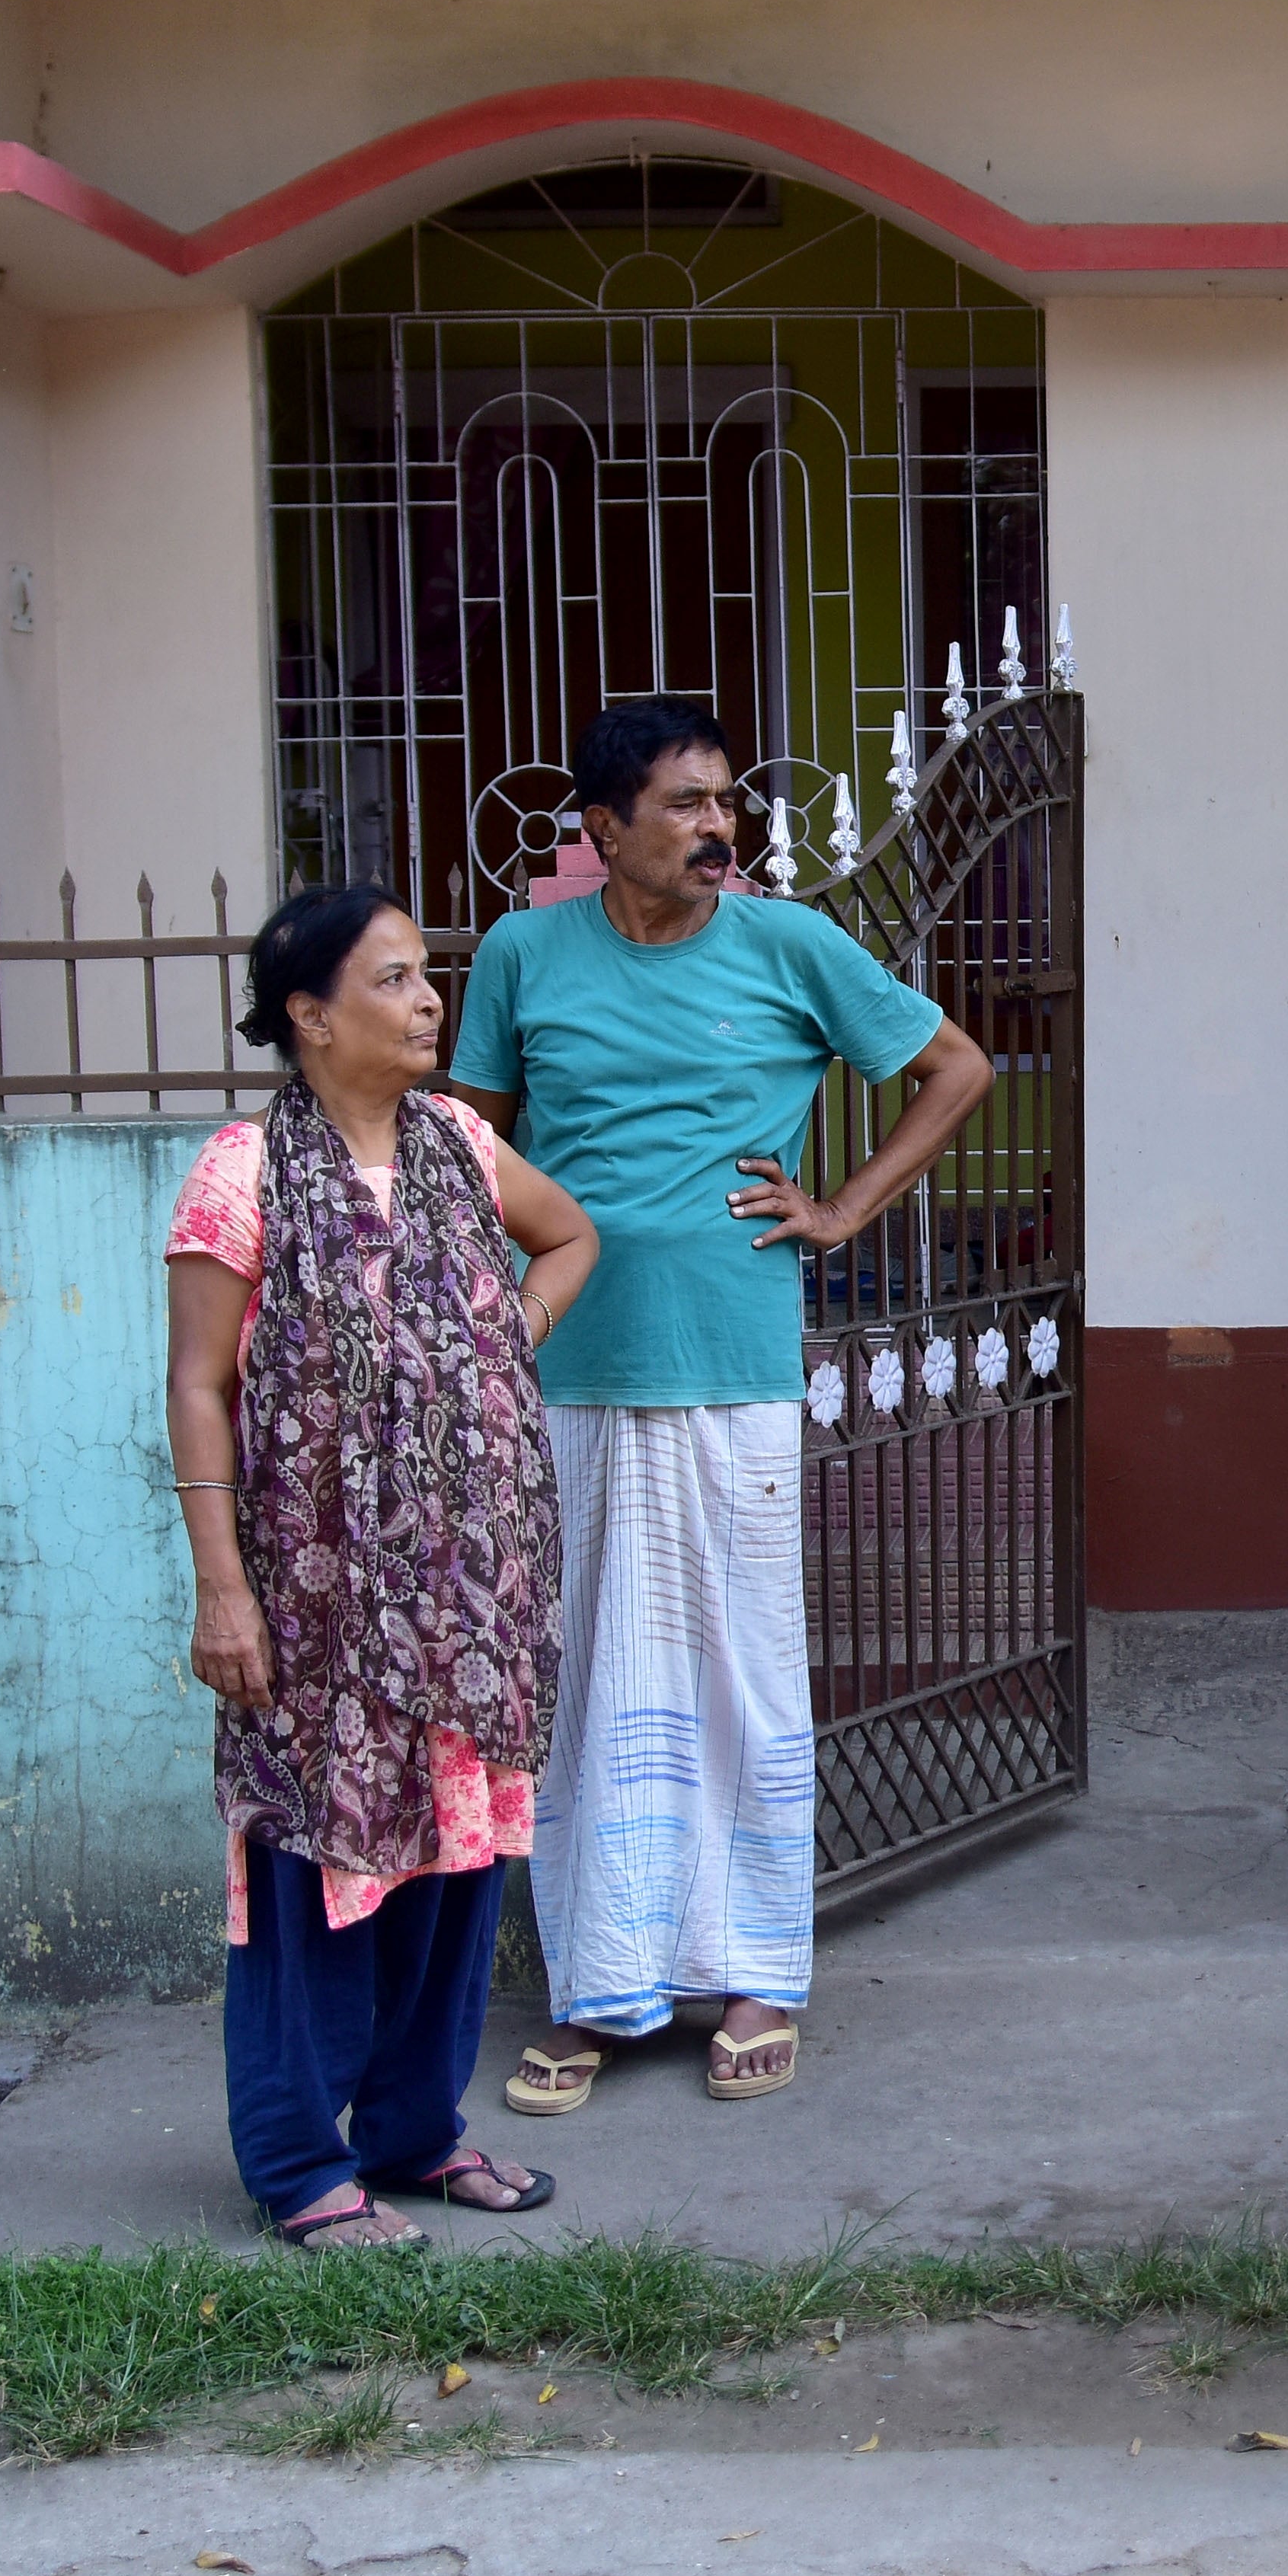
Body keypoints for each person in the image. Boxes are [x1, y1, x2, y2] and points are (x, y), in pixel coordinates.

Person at [451, 697, 992, 2114]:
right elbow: (472, 1139)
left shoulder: (789, 943)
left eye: (726, 802)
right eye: (685, 804)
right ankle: (600, 1985)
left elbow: (954, 1068)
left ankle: (758, 1970)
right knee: (583, 1677)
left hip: (735, 1361)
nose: (718, 827)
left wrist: (843, 1208)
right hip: (566, 1363)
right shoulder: (524, 952)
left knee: (743, 1670)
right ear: (602, 830)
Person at [170, 887, 600, 2248]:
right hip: (314, 1603)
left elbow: (574, 1233)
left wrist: (506, 1334)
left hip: (472, 1596)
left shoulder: (462, 1145)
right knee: (313, 1871)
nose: (428, 1002)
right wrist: (221, 1586)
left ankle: (416, 2132)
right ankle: (301, 2161)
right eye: (395, 979)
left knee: (453, 1863)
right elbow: (194, 1386)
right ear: (309, 1013)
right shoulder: (241, 1172)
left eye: (429, 978)